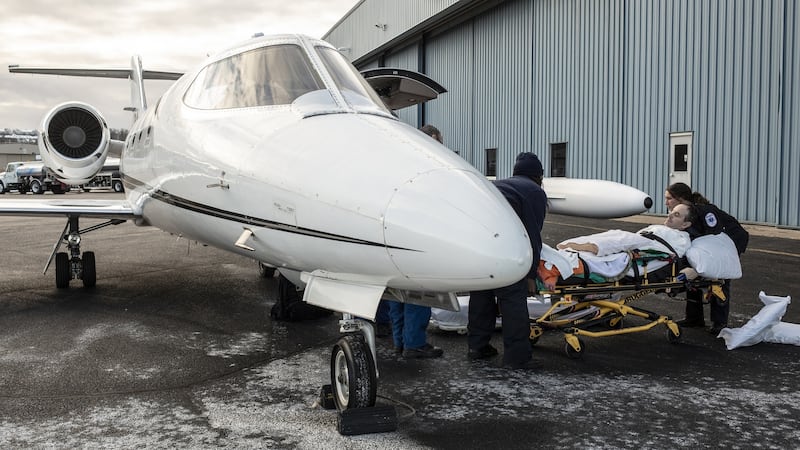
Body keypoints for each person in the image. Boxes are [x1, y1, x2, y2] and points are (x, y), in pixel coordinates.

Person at [468, 152, 548, 370]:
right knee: (513, 301)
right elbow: (532, 235)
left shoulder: (498, 185)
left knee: (481, 296)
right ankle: (517, 357)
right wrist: (530, 274)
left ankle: (477, 347)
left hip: (481, 248)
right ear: (538, 176)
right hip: (507, 251)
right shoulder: (534, 192)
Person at [387, 124, 446, 358]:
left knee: (396, 295)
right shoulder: (428, 171)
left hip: (394, 239)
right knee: (417, 295)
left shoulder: (398, 166)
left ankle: (400, 341)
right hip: (417, 242)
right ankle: (414, 343)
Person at [665, 182, 749, 334]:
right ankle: (694, 318)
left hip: (729, 242)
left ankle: (719, 323)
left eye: (669, 198)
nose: (666, 202)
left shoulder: (705, 212)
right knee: (693, 272)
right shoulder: (684, 213)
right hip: (709, 243)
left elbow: (714, 239)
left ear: (682, 199)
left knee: (719, 279)